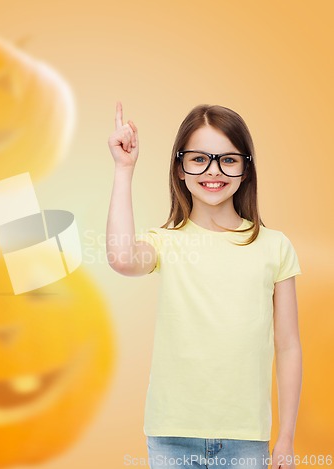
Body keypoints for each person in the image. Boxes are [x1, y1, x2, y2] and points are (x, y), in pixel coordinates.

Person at [106, 102, 302, 469]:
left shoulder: (275, 246)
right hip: (171, 435)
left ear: (246, 169)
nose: (213, 171)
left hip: (246, 438)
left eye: (228, 159)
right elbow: (121, 258)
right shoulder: (165, 242)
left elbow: (288, 346)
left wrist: (286, 437)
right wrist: (123, 170)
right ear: (180, 168)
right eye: (199, 159)